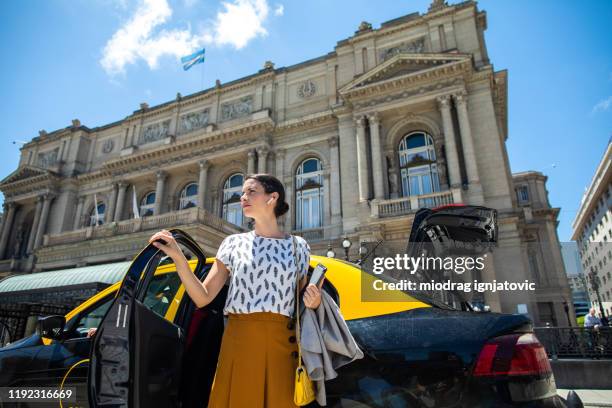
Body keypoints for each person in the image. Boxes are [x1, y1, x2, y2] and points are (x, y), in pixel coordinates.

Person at [149, 173, 323, 408]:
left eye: (251, 191)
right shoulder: (233, 243)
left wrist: (313, 301)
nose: (242, 197)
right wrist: (178, 257)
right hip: (240, 341)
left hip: (284, 344)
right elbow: (203, 297)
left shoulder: (298, 246)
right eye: (242, 193)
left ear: (272, 198)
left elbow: (302, 302)